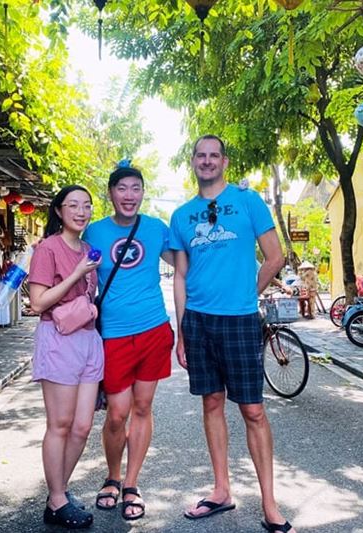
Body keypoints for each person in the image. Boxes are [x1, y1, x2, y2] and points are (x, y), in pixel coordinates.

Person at [170, 135, 297, 533]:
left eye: (214, 156)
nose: (207, 162)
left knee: (253, 410)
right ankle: (221, 489)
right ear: (192, 162)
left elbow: (276, 256)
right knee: (211, 403)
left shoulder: (248, 201)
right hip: (199, 321)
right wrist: (181, 331)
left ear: (224, 161)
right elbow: (181, 275)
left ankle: (270, 503)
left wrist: (248, 293)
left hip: (240, 319)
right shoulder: (182, 216)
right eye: (200, 156)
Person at [82, 163, 174, 521]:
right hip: (113, 334)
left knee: (142, 408)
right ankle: (112, 475)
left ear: (142, 193)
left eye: (136, 188)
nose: (129, 195)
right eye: (122, 188)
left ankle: (131, 483)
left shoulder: (155, 229)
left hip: (153, 328)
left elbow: (185, 263)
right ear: (111, 193)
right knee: (117, 414)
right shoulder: (95, 232)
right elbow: (77, 274)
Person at [28, 185, 103, 530]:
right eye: (73, 205)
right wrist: (77, 273)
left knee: (83, 425)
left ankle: (58, 492)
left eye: (86, 205)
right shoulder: (48, 248)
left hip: (89, 339)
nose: (81, 211)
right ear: (59, 211)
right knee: (59, 424)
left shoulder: (89, 249)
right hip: (58, 339)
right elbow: (38, 303)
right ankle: (57, 499)